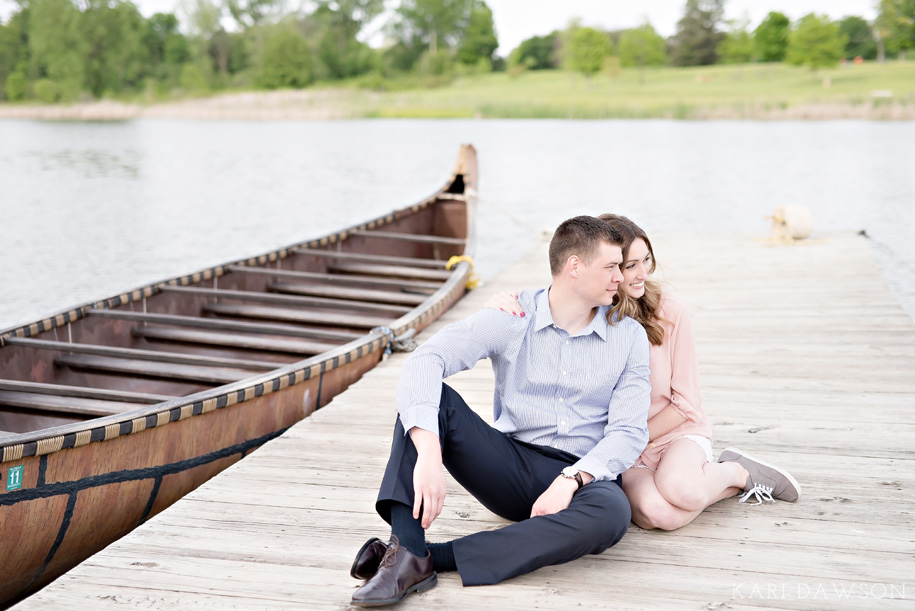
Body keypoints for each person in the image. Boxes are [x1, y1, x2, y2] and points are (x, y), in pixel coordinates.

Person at [349, 216, 651, 606]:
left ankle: (424, 558)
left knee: (612, 513)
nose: (619, 278)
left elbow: (628, 432)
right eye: (611, 267)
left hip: (581, 475)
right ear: (574, 267)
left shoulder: (628, 337)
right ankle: (405, 547)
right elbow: (427, 358)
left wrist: (572, 479)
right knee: (430, 401)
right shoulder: (513, 317)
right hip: (509, 466)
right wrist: (428, 454)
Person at [484, 214, 801, 532]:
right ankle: (722, 484)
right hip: (619, 446)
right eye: (629, 265)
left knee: (683, 491)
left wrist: (632, 435)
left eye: (646, 260)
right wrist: (499, 303)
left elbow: (686, 402)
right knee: (658, 515)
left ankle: (735, 472)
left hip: (673, 433)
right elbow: (554, 297)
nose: (642, 274)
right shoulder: (589, 313)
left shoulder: (669, 310)